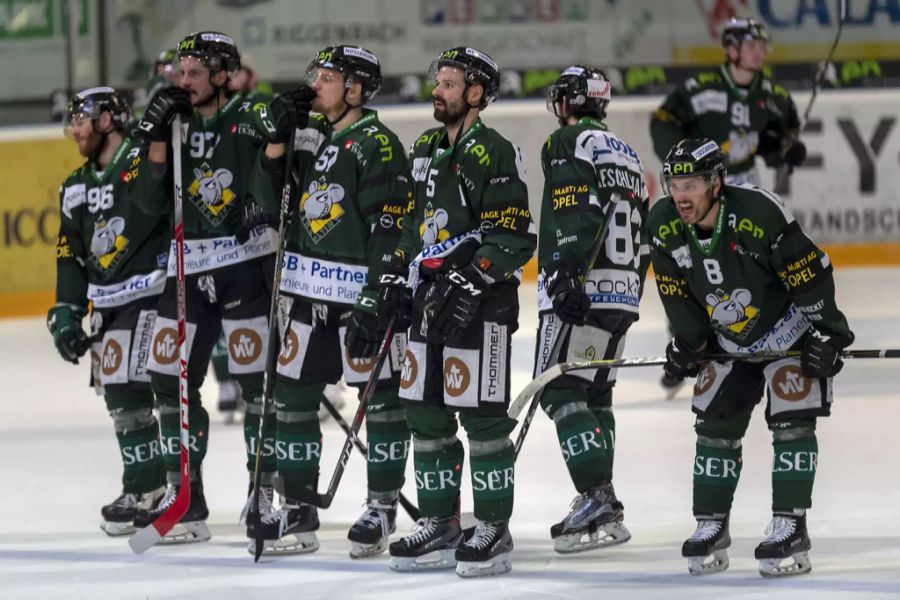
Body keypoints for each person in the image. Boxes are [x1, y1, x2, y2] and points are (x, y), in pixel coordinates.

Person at [647, 138, 854, 577]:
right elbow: (675, 292)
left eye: (690, 184)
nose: (680, 195)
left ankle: (791, 525)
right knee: (715, 420)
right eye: (673, 183)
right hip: (730, 340)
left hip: (788, 329)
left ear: (715, 183)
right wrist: (689, 343)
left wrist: (830, 334)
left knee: (792, 413)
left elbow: (807, 271)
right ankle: (711, 525)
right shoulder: (663, 223)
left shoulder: (758, 212)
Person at [249, 44, 412, 558]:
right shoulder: (310, 136)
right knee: (292, 401)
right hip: (303, 297)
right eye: (315, 75)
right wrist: (278, 137)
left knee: (381, 402)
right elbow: (264, 196)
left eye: (327, 77)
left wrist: (376, 296)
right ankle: (299, 508)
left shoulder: (378, 145)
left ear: (356, 89)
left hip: (357, 301)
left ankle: (380, 507)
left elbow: (392, 227)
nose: (314, 84)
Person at [378, 47, 535, 578]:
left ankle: (493, 525)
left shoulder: (495, 150)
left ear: (475, 93)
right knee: (425, 414)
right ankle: (442, 521)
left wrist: (475, 273)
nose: (436, 91)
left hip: (481, 303)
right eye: (437, 81)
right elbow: (409, 224)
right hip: (428, 302)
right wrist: (397, 274)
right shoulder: (423, 147)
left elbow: (513, 233)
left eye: (448, 83)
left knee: (484, 418)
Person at [125, 31, 279, 544]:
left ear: (221, 75)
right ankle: (183, 492)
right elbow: (148, 204)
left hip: (245, 265)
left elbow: (283, 154)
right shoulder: (172, 125)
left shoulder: (250, 112)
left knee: (256, 382)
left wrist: (265, 192)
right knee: (167, 377)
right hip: (188, 267)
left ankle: (264, 491)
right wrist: (151, 135)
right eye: (179, 73)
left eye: (193, 73)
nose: (182, 82)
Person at [650, 17, 807, 397]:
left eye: (761, 45)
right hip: (701, 192)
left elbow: (785, 131)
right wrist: (684, 173)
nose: (759, 51)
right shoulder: (701, 88)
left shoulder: (772, 95)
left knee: (746, 263)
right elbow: (663, 122)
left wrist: (785, 148)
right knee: (694, 267)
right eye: (751, 44)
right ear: (732, 49)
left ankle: (756, 326)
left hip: (743, 187)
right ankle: (691, 340)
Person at [536, 66, 650, 554]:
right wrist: (630, 289)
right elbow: (644, 230)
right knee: (596, 396)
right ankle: (606, 502)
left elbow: (574, 209)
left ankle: (596, 496)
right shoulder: (628, 153)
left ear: (570, 102)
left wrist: (564, 272)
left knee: (559, 391)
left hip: (580, 286)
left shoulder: (567, 142)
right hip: (623, 289)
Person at [48, 87, 168, 535]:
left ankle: (173, 488)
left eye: (81, 119)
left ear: (107, 120)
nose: (74, 130)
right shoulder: (75, 187)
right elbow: (70, 255)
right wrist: (65, 314)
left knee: (162, 394)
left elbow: (161, 199)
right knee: (122, 401)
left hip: (155, 291)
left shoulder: (144, 158)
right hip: (109, 303)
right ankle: (145, 485)